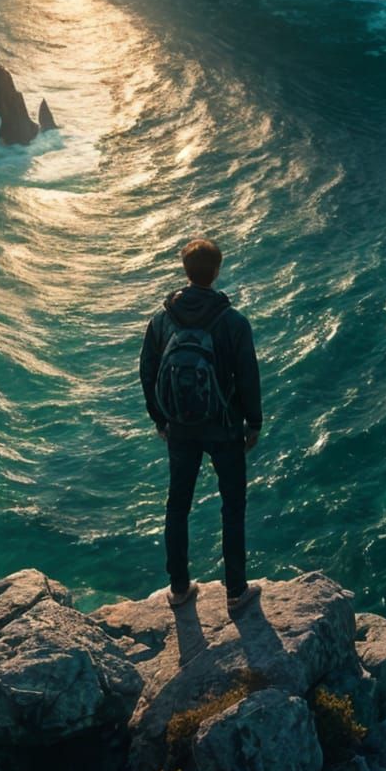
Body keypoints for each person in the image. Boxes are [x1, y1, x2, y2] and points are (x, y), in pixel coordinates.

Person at [139, 237, 262, 612]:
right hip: (224, 427)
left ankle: (178, 588)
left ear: (185, 271)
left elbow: (147, 372)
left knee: (177, 506)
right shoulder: (234, 322)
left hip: (180, 427)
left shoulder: (162, 319)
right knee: (232, 507)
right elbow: (247, 377)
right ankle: (236, 592)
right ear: (217, 271)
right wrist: (253, 423)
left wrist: (160, 418)